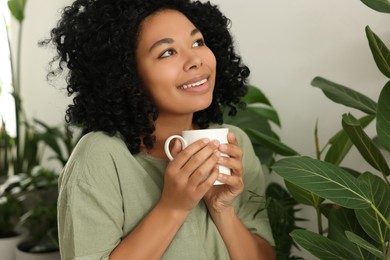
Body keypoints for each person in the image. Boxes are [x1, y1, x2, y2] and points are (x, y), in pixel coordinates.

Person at [43, 0, 275, 259]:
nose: (195, 60)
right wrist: (173, 207)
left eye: (197, 42)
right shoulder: (100, 157)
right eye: (167, 53)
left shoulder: (234, 143)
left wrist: (222, 208)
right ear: (129, 77)